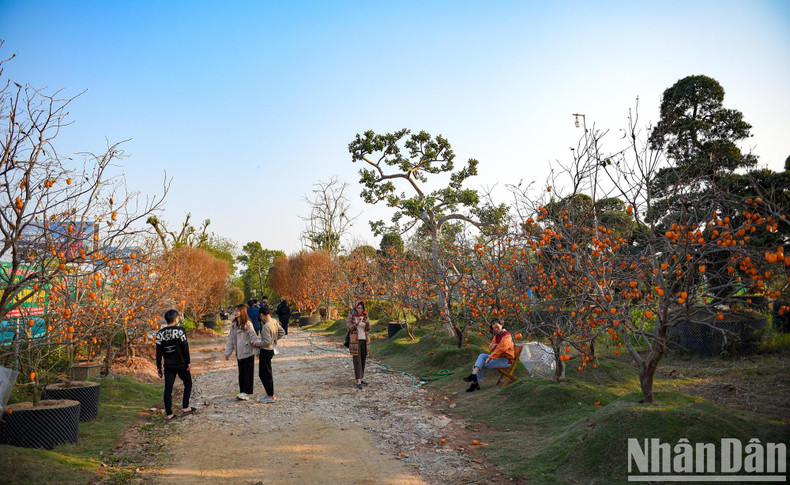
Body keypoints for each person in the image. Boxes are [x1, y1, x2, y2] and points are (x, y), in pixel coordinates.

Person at [155, 309, 193, 420]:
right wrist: (188, 362)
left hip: (168, 365)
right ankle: (185, 407)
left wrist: (159, 367)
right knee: (188, 383)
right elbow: (185, 347)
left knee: (168, 388)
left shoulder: (160, 333)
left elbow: (158, 353)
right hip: (181, 363)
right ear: (176, 319)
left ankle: (169, 414)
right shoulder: (180, 331)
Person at [462, 319, 515, 392]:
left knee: (481, 364)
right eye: (494, 328)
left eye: (497, 327)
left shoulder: (507, 336)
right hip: (498, 358)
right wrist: (493, 346)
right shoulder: (497, 336)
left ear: (501, 324)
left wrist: (490, 358)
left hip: (505, 361)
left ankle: (474, 382)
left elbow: (500, 349)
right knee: (481, 355)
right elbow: (490, 346)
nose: (496, 329)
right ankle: (473, 376)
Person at [252, 304, 285, 403]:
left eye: (260, 316)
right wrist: (274, 340)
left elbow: (266, 342)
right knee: (266, 373)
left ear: (261, 315)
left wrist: (256, 344)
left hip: (266, 351)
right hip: (271, 350)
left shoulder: (266, 326)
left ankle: (270, 395)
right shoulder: (275, 321)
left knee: (265, 374)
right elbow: (282, 332)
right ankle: (270, 394)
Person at [225, 304, 259, 400]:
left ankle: (245, 392)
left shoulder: (247, 324)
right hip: (239, 353)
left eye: (238, 311)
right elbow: (230, 340)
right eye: (235, 310)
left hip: (248, 352)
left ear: (242, 312)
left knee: (247, 373)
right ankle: (242, 392)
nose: (235, 312)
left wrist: (257, 352)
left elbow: (254, 338)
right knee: (241, 373)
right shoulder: (234, 325)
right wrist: (227, 353)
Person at [347, 300, 371, 389]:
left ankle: (361, 378)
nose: (360, 310)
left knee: (363, 360)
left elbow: (368, 329)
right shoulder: (351, 317)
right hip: (355, 342)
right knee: (357, 361)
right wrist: (356, 324)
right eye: (358, 308)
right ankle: (358, 381)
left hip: (364, 341)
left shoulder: (365, 316)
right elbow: (348, 328)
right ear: (355, 308)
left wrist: (367, 323)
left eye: (361, 308)